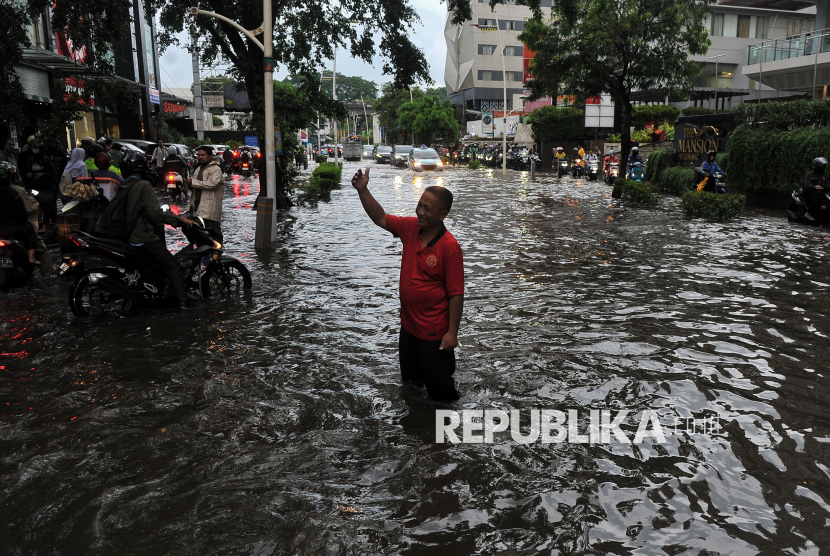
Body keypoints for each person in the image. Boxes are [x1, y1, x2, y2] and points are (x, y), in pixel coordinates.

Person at [351, 167, 465, 401]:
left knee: (441, 393)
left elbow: (456, 294)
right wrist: (362, 190)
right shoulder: (411, 228)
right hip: (409, 327)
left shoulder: (449, 247)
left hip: (434, 333)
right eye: (419, 205)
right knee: (411, 385)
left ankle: (444, 431)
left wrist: (452, 333)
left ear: (442, 215)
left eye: (427, 209)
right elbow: (381, 218)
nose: (420, 212)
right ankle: (415, 428)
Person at [118, 151, 198, 308]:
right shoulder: (143, 185)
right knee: (173, 266)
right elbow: (155, 214)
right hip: (142, 238)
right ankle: (183, 303)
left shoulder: (124, 185)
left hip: (127, 235)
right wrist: (180, 220)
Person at [0, 162, 39, 265]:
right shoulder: (13, 192)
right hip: (11, 230)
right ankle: (31, 259)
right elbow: (22, 214)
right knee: (30, 229)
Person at [187, 146, 224, 241]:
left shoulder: (216, 169)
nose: (200, 157)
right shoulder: (198, 169)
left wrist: (193, 182)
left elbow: (212, 184)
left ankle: (217, 254)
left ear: (210, 156)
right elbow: (195, 189)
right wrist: (187, 185)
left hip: (210, 209)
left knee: (214, 235)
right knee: (198, 235)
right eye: (198, 155)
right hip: (196, 209)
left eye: (203, 155)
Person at [21, 141, 56, 226]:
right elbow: (28, 170)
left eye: (36, 148)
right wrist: (29, 174)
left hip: (46, 186)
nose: (35, 150)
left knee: (46, 205)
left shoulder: (46, 159)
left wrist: (43, 174)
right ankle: (39, 222)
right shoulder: (30, 159)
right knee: (37, 204)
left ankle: (46, 223)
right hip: (35, 186)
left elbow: (52, 172)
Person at [800, 157, 829, 221]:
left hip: (821, 193)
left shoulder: (823, 175)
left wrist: (823, 186)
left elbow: (827, 184)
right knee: (818, 195)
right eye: (821, 166)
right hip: (809, 193)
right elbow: (807, 185)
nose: (823, 167)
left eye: (824, 166)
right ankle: (808, 213)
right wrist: (814, 187)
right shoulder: (809, 174)